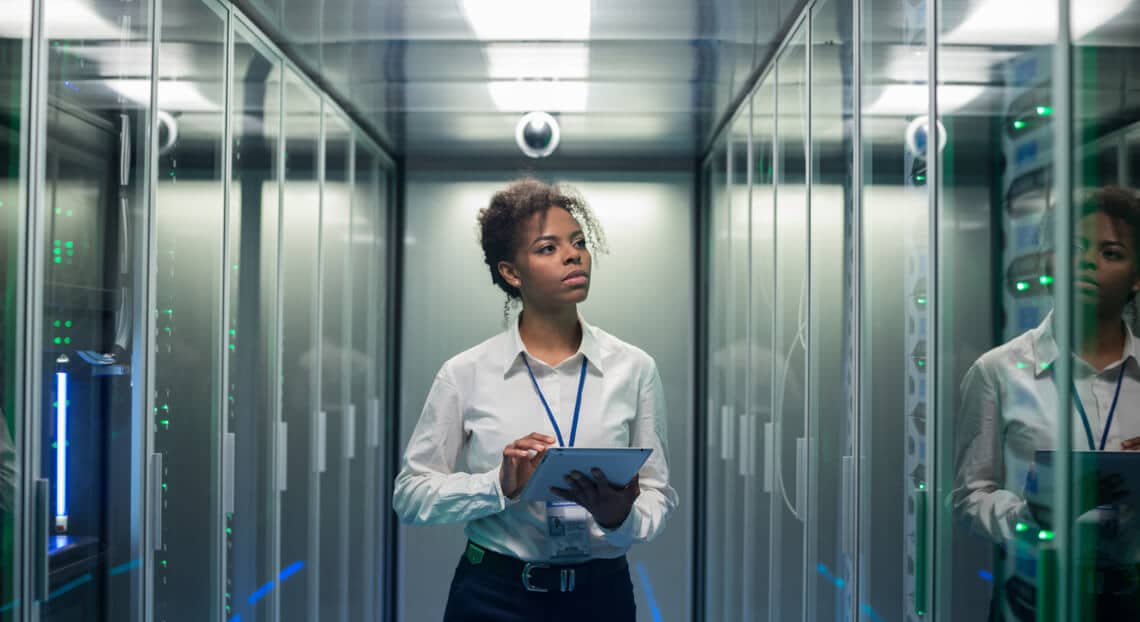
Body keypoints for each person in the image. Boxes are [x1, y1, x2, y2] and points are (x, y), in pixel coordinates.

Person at [393, 178, 678, 622]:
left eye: (578, 242)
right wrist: (498, 486)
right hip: (493, 596)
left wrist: (622, 516)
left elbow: (659, 493)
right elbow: (411, 495)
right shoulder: (464, 373)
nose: (573, 255)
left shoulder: (635, 368)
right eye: (548, 248)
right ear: (511, 272)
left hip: (600, 596)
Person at [952, 186, 1140, 620]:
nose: (1088, 262)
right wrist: (1034, 514)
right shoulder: (998, 371)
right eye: (1072, 247)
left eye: (1111, 253)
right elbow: (967, 500)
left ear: (1137, 276)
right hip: (1037, 592)